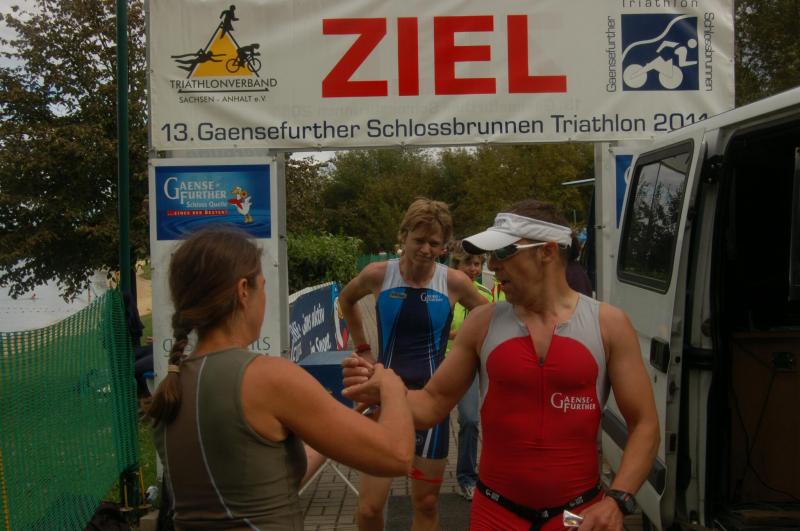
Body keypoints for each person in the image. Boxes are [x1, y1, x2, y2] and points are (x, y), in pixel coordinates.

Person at [343, 199, 659, 531]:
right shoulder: (482, 322)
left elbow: (645, 424)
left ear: (547, 252)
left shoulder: (609, 324)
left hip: (577, 516)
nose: (492, 265)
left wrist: (618, 500)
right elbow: (432, 403)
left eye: (504, 253)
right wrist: (384, 388)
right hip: (497, 513)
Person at [147, 226, 414, 530]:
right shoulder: (266, 377)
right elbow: (397, 455)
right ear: (243, 290)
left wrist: (343, 419)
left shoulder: (170, 388)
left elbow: (268, 481)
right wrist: (391, 385)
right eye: (263, 286)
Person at [339, 198, 489, 531]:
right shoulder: (379, 274)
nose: (425, 249)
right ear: (404, 235)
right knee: (369, 508)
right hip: (382, 400)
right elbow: (346, 300)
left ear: (444, 246)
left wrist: (465, 352)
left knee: (426, 503)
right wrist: (363, 349)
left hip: (432, 407)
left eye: (434, 243)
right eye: (418, 240)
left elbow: (487, 314)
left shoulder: (454, 281)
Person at [447, 241, 493, 501]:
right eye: (468, 263)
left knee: (470, 420)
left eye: (478, 264)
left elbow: (492, 325)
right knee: (430, 421)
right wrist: (455, 334)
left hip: (468, 366)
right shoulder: (442, 291)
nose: (474, 269)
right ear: (456, 263)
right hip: (441, 364)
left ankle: (467, 476)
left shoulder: (484, 294)